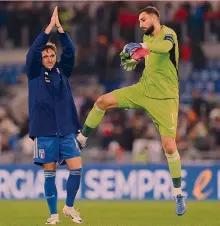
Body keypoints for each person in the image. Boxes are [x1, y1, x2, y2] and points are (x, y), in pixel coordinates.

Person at [77, 6, 186, 216]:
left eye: (143, 20)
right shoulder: (148, 44)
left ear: (154, 17)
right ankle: (81, 139)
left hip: (165, 98)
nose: (141, 24)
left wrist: (142, 46)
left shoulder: (167, 34)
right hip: (142, 90)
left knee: (170, 147)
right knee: (101, 101)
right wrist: (132, 59)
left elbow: (163, 48)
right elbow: (139, 56)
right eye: (139, 22)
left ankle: (178, 194)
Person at [25, 7, 83, 224]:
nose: (49, 58)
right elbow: (32, 53)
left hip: (67, 130)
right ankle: (53, 214)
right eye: (46, 55)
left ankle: (68, 207)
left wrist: (60, 31)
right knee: (49, 173)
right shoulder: (33, 73)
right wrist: (47, 30)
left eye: (52, 55)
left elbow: (71, 52)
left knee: (77, 169)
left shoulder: (62, 71)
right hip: (45, 131)